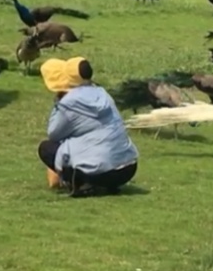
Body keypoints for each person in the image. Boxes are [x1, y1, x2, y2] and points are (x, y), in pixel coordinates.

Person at [38, 56, 139, 197]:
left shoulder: (69, 102)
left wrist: (58, 103)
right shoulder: (103, 94)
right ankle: (109, 185)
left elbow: (54, 134)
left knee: (46, 148)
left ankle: (82, 184)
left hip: (100, 173)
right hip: (128, 168)